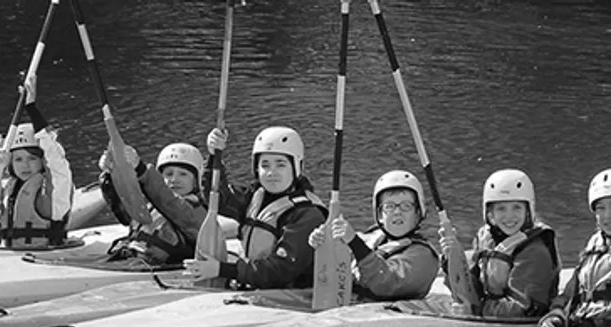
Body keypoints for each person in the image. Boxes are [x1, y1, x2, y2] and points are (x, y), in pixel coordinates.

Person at [182, 126, 327, 290]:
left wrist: (222, 269)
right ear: (256, 169)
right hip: (254, 285)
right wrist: (214, 155)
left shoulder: (307, 214)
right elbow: (216, 198)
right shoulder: (254, 197)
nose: (271, 173)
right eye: (265, 165)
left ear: (296, 167)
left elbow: (281, 271)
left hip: (290, 296)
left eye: (280, 165)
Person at [535, 169, 611, 327]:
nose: (607, 215)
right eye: (600, 208)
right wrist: (556, 316)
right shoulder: (594, 244)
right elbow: (571, 292)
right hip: (585, 326)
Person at [440, 169, 558, 317]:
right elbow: (470, 289)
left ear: (528, 211)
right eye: (501, 208)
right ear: (490, 213)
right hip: (491, 313)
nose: (509, 216)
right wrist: (452, 261)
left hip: (519, 325)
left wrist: (476, 310)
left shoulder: (535, 251)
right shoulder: (486, 240)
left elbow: (522, 309)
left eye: (517, 207)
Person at [310, 170, 439, 301]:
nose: (397, 212)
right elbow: (338, 264)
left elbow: (385, 283)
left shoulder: (423, 256)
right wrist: (323, 243)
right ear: (380, 215)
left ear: (418, 213)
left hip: (388, 314)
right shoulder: (372, 237)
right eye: (389, 206)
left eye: (406, 206)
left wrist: (355, 242)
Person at [0, 90, 72, 249]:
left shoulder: (52, 195)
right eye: (18, 159)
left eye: (32, 158)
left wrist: (32, 109)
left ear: (42, 161)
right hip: (9, 257)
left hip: (46, 257)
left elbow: (57, 163)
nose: (25, 165)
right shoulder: (6, 188)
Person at [94, 141, 212, 267]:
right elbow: (125, 215)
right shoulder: (154, 204)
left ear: (196, 181)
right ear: (160, 177)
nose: (174, 179)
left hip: (159, 268)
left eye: (183, 174)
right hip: (132, 259)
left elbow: (170, 202)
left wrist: (141, 169)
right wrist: (110, 174)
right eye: (168, 174)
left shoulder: (194, 211)